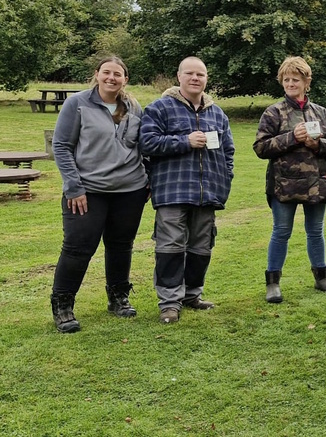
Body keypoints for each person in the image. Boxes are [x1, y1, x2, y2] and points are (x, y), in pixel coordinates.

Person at [49, 57, 148, 333]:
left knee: (121, 245)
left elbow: (142, 145)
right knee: (78, 247)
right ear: (97, 75)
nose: (112, 78)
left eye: (118, 74)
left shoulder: (133, 106)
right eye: (107, 73)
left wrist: (148, 179)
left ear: (125, 79)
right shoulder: (77, 104)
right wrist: (74, 186)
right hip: (87, 191)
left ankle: (118, 297)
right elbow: (61, 145)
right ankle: (63, 305)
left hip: (130, 190)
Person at [140, 56, 235, 324]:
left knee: (201, 248)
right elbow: (147, 143)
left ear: (206, 79)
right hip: (172, 191)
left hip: (208, 193)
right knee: (170, 247)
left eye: (201, 74)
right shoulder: (159, 109)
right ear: (179, 77)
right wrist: (185, 141)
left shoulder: (217, 113)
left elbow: (228, 151)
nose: (195, 78)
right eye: (190, 74)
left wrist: (225, 179)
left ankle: (192, 294)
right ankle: (169, 303)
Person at [254, 56, 326, 304]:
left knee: (315, 232)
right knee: (281, 232)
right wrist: (292, 138)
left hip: (317, 184)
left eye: (296, 79)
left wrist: (318, 144)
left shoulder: (322, 113)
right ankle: (273, 283)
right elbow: (260, 148)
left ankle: (322, 278)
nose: (290, 83)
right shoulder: (274, 113)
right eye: (286, 79)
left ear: (307, 82)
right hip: (284, 185)